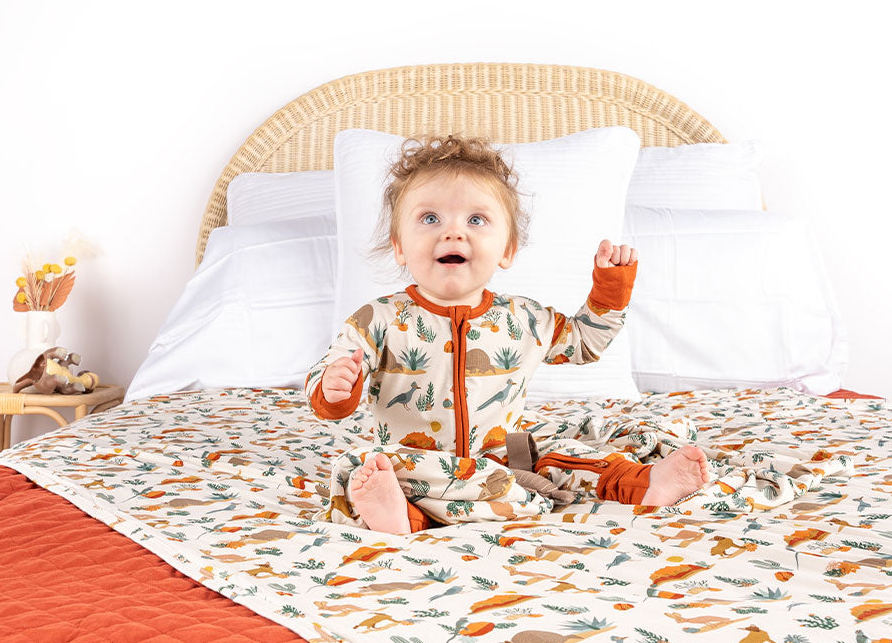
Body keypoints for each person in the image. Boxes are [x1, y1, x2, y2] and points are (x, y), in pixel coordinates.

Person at [304, 135, 710, 534]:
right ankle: (402, 515)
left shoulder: (524, 318)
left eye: (476, 219)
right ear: (399, 247)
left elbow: (584, 344)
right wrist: (337, 387)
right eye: (430, 218)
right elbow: (328, 372)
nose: (453, 233)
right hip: (417, 465)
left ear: (508, 250)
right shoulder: (378, 318)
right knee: (365, 469)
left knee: (566, 456)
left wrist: (609, 290)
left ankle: (647, 483)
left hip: (507, 460)